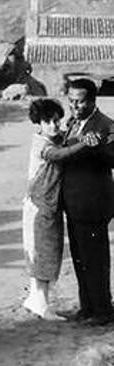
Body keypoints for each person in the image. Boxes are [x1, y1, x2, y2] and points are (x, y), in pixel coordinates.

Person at [21, 98, 88, 321]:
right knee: (42, 253)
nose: (53, 125)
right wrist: (84, 143)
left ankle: (36, 300)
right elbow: (59, 154)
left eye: (56, 121)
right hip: (40, 207)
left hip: (47, 206)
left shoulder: (55, 137)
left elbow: (65, 139)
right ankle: (40, 304)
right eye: (48, 121)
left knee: (45, 252)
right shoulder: (41, 143)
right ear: (38, 123)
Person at [58, 78, 114, 326]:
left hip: (93, 203)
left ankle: (103, 310)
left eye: (80, 102)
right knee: (80, 257)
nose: (75, 106)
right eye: (71, 101)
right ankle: (87, 307)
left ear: (92, 101)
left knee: (95, 259)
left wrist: (98, 147)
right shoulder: (71, 123)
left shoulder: (106, 125)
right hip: (73, 202)